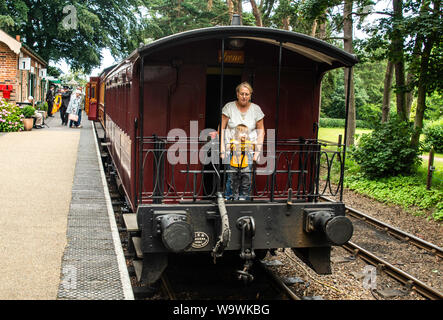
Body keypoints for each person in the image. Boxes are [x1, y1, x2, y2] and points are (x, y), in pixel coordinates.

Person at [219, 82, 265, 199]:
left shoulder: (256, 109)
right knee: (232, 177)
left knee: (246, 178)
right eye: (242, 94)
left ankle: (244, 201)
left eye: (247, 94)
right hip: (232, 149)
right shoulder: (229, 107)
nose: (244, 96)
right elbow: (221, 129)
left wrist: (257, 152)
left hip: (248, 150)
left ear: (250, 95)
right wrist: (222, 149)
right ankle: (229, 200)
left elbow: (261, 131)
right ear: (237, 94)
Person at [229, 124, 255, 200]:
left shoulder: (248, 142)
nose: (244, 135)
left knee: (246, 183)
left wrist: (242, 144)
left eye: (246, 133)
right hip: (234, 165)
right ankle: (235, 197)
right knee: (234, 183)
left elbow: (251, 147)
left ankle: (243, 197)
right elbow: (231, 147)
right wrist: (237, 144)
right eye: (242, 133)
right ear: (237, 134)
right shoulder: (233, 141)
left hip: (245, 166)